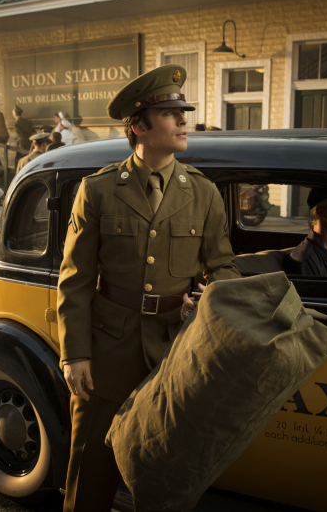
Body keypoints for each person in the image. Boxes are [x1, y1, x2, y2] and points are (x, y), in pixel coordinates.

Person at [57, 63, 240, 512]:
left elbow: (223, 269)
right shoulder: (97, 191)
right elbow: (75, 279)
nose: (183, 121)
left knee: (165, 473)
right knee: (90, 471)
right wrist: (75, 353)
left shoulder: (203, 193)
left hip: (176, 351)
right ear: (139, 126)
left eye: (184, 112)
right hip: (109, 350)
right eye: (171, 113)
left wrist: (207, 305)